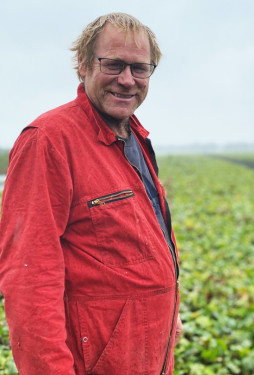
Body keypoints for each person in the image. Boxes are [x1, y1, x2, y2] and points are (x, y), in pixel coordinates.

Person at [0, 13, 182, 375]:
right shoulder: (49, 140)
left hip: (146, 353)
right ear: (82, 66)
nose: (127, 80)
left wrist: (171, 313)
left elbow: (149, 238)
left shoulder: (136, 137)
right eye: (113, 65)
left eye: (139, 68)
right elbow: (29, 277)